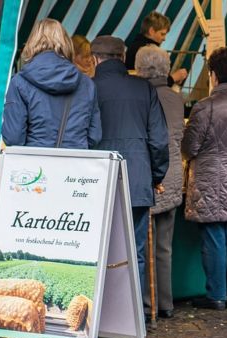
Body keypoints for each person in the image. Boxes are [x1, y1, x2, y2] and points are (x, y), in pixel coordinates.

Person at [90, 36, 170, 307]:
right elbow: (159, 140)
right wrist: (155, 177)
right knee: (135, 252)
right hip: (136, 180)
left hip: (94, 182)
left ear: (93, 59)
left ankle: (100, 317)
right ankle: (134, 316)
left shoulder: (87, 89)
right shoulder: (144, 89)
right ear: (123, 58)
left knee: (95, 250)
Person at [182, 47, 227, 310]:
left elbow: (189, 147)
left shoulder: (204, 108)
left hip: (210, 182)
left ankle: (216, 294)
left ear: (213, 75)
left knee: (213, 238)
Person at [135, 45, 183, 320]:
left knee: (143, 245)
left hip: (151, 177)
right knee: (164, 246)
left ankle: (146, 302)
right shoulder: (175, 99)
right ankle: (166, 303)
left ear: (140, 69)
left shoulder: (141, 97)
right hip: (174, 177)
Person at [2, 19, 100, 150]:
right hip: (76, 164)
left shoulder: (19, 82)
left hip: (35, 165)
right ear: (66, 43)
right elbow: (94, 136)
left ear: (32, 42)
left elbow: (14, 137)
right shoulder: (87, 84)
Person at [125, 12, 188, 86]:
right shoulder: (146, 50)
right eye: (162, 34)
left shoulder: (135, 45)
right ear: (151, 31)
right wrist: (173, 78)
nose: (164, 38)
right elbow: (152, 83)